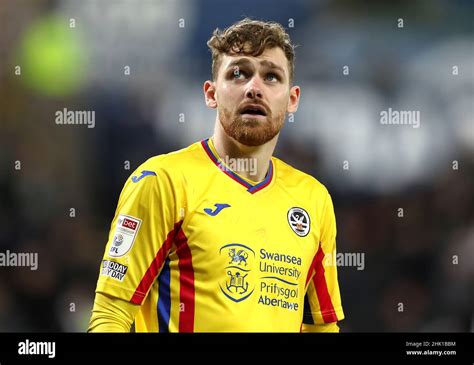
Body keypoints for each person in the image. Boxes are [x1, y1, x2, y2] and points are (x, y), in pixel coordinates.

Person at [88, 18, 344, 332]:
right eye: (238, 73)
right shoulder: (163, 181)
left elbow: (321, 328)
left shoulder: (313, 200)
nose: (254, 88)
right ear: (211, 94)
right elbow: (109, 317)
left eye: (271, 77)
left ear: (292, 100)